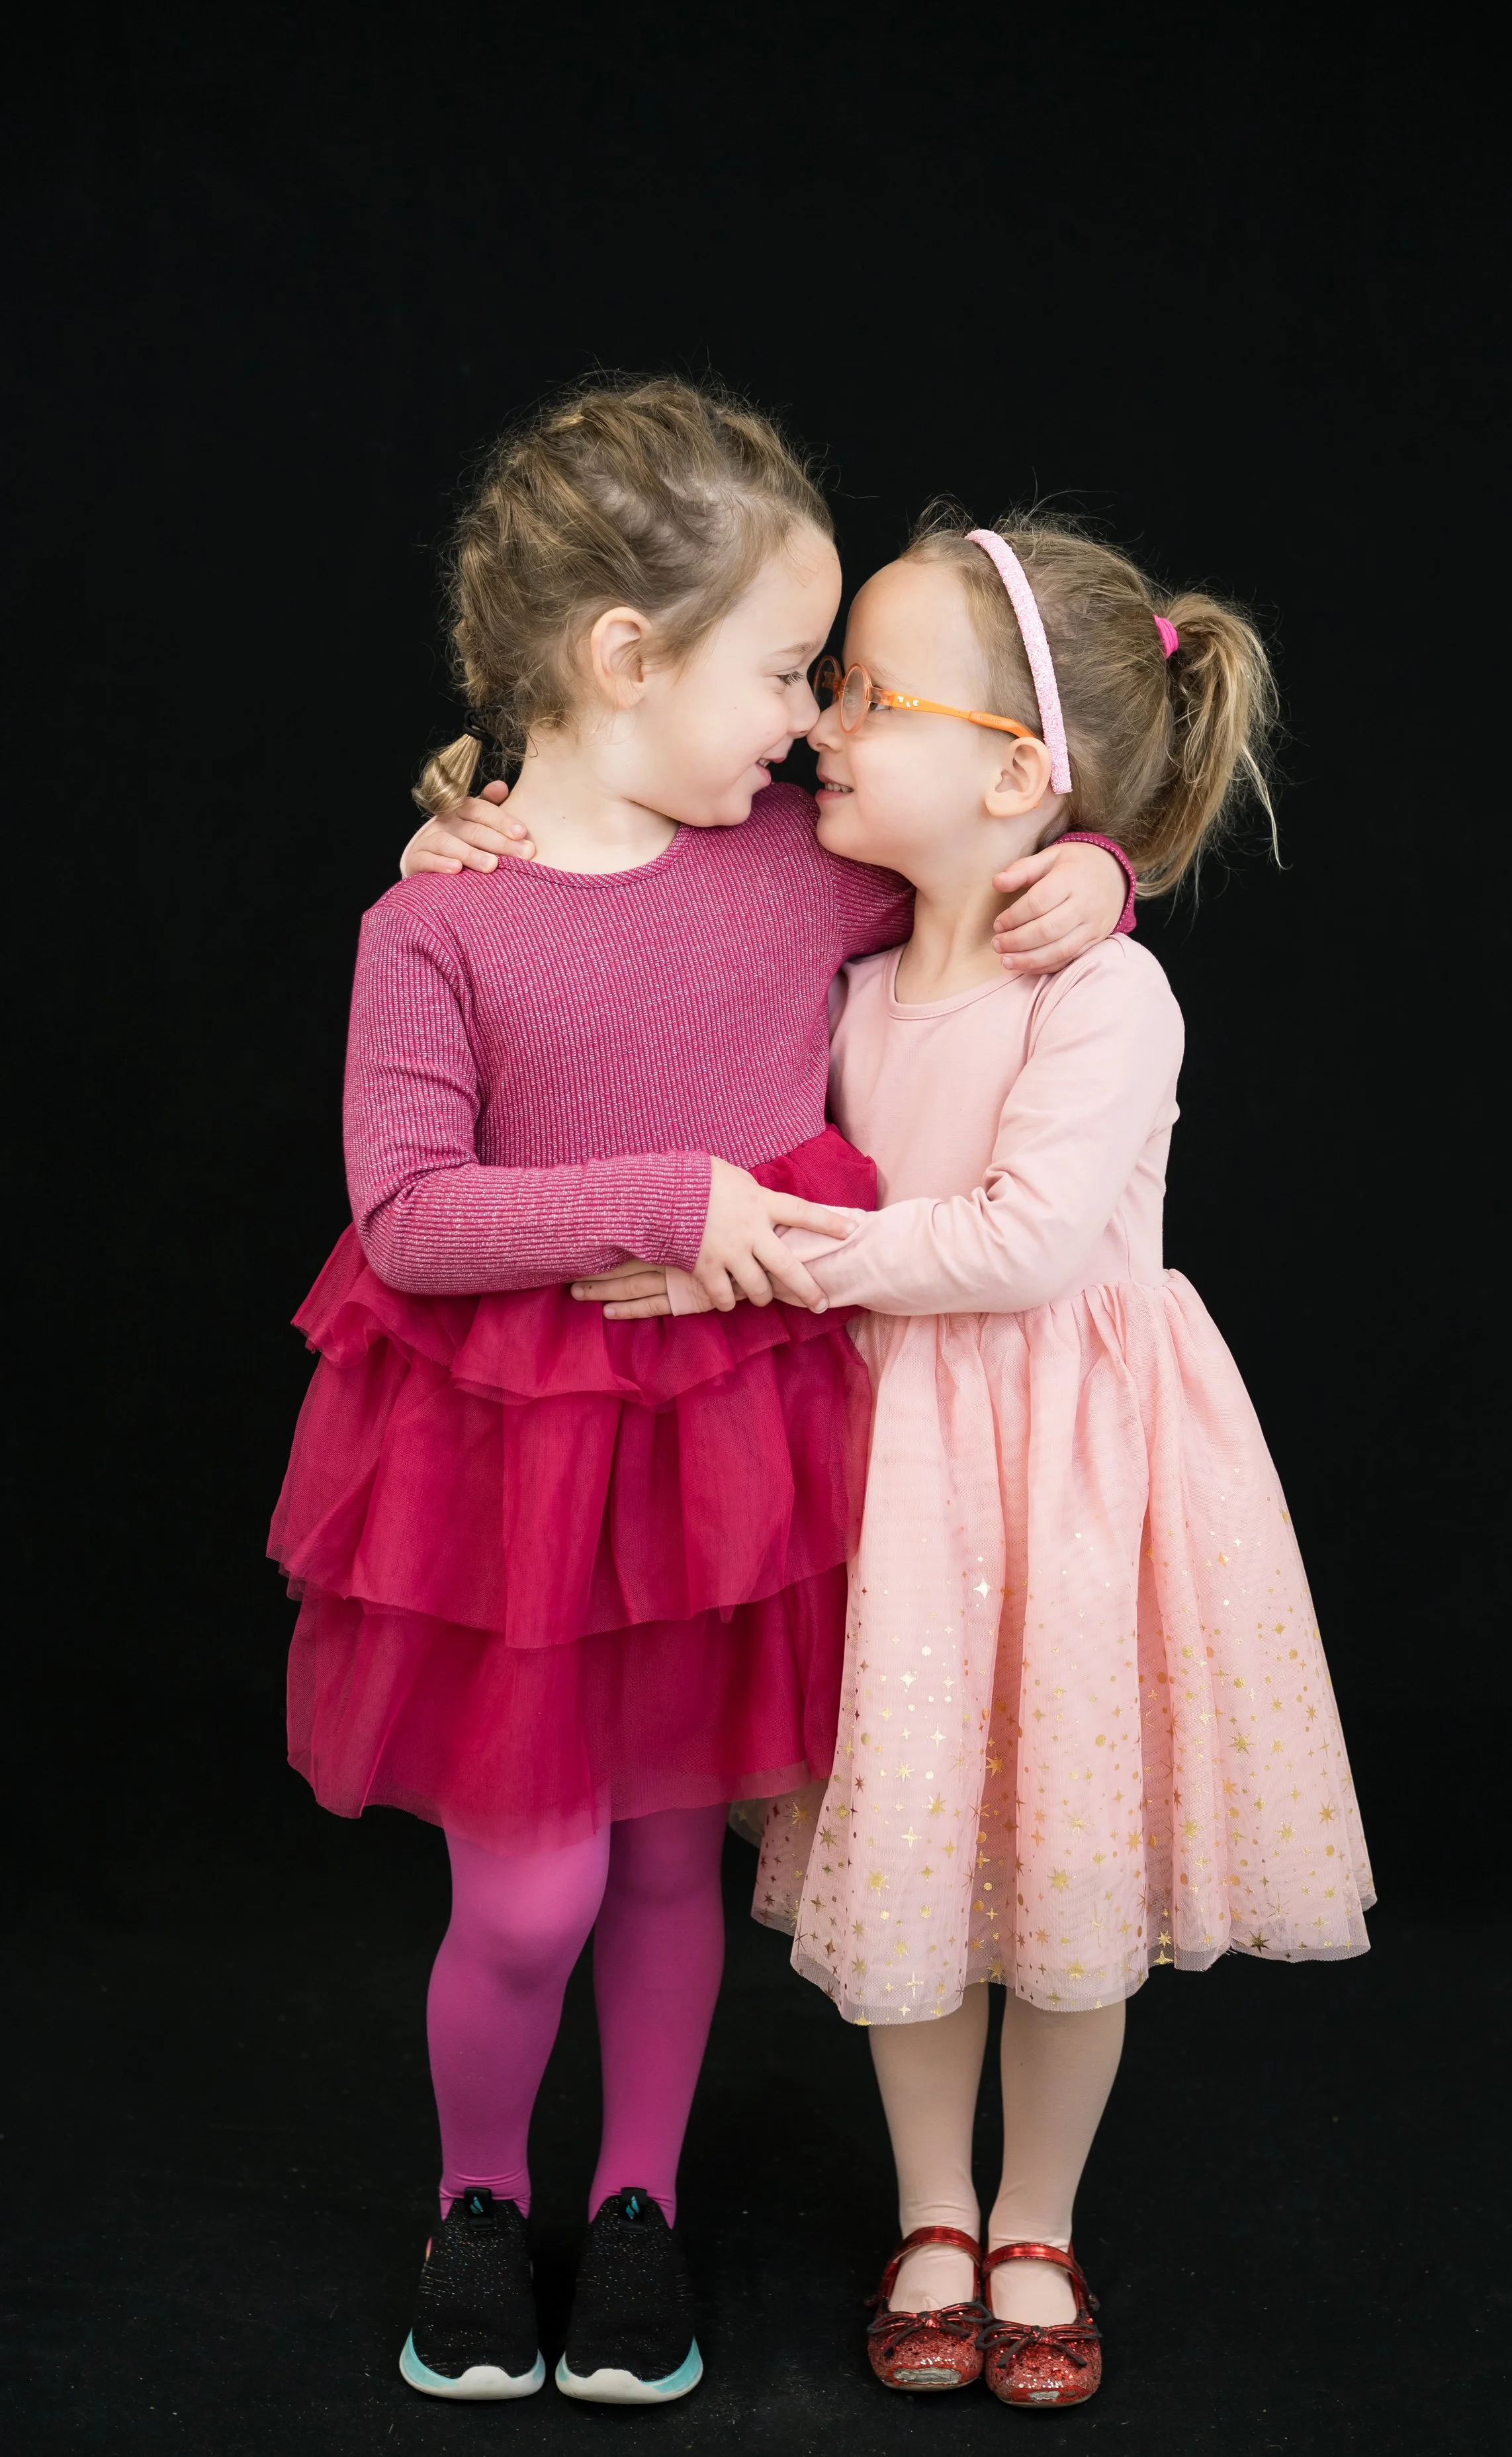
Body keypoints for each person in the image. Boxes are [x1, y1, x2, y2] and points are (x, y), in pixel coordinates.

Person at [273, 382, 1132, 2408]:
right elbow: (407, 1212)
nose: (812, 722)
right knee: (531, 1889)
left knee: (673, 1863)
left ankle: (639, 2200)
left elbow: (971, 849)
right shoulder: (436, 919)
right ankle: (479, 2197)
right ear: (623, 658)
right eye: (781, 669)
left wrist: (1095, 865)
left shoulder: (783, 868)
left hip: (724, 1463)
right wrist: (679, 1196)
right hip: (513, 1469)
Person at [584, 510, 1374, 2411]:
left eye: (870, 694)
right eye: (830, 688)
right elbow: (612, 875)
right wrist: (453, 826)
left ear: (1018, 775)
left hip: (1071, 1478)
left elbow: (1021, 1243)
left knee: (1068, 1881)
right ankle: (932, 2210)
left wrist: (769, 1253)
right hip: (899, 1483)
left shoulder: (1103, 990)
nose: (821, 728)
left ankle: (1037, 2217)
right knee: (919, 1848)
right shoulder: (841, 961)